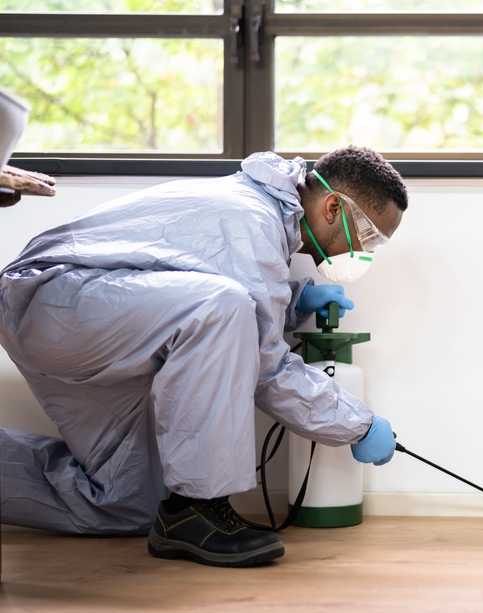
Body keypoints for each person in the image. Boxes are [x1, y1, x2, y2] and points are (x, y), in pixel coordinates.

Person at [0, 147, 407, 567]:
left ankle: (173, 517)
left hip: (81, 309)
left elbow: (185, 277)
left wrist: (296, 303)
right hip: (52, 298)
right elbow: (265, 366)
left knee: (126, 499)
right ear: (333, 206)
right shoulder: (252, 220)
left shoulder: (261, 217)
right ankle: (197, 509)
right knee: (222, 308)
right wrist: (358, 425)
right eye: (368, 235)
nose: (365, 251)